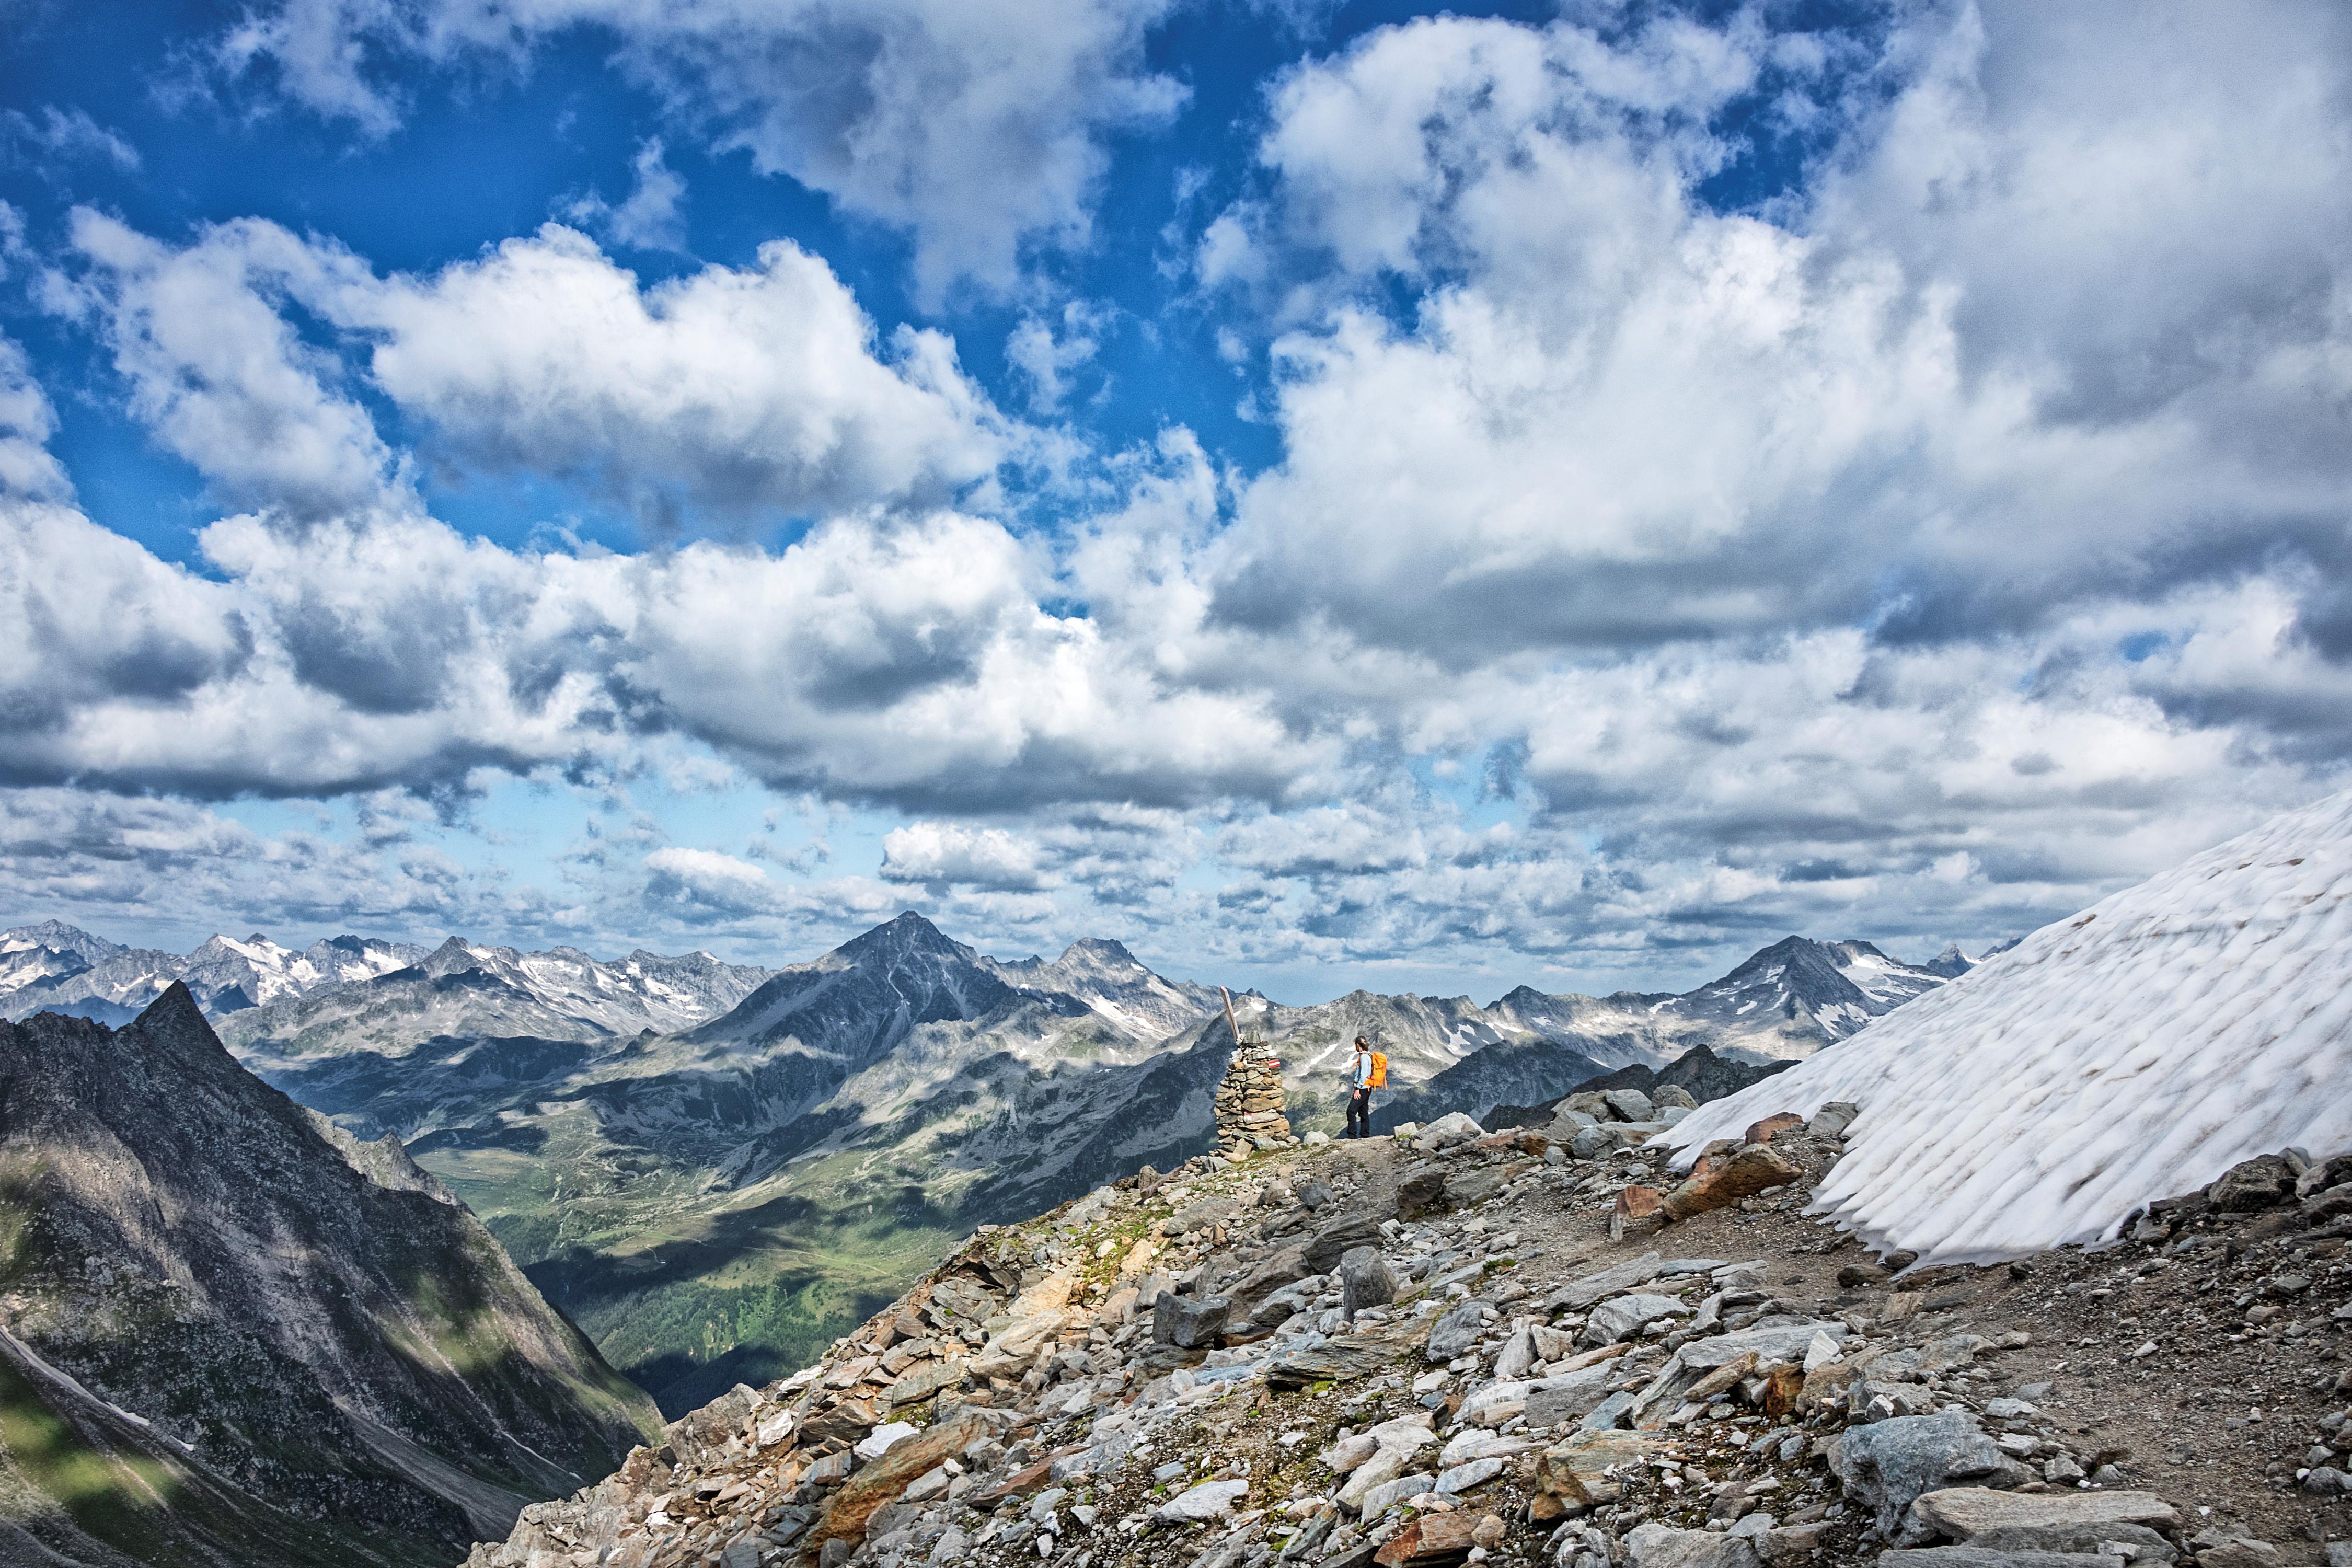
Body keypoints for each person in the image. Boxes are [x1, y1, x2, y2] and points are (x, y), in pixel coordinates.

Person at [1346, 1035, 1375, 1139]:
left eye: (1356, 1045)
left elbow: (1363, 1075)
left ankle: (1352, 1135)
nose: (1355, 1047)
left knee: (1351, 1111)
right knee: (1363, 1112)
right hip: (1367, 1088)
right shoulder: (1369, 1056)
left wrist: (1357, 1089)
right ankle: (1365, 1135)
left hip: (1362, 1089)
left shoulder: (1363, 1057)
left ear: (1358, 1045)